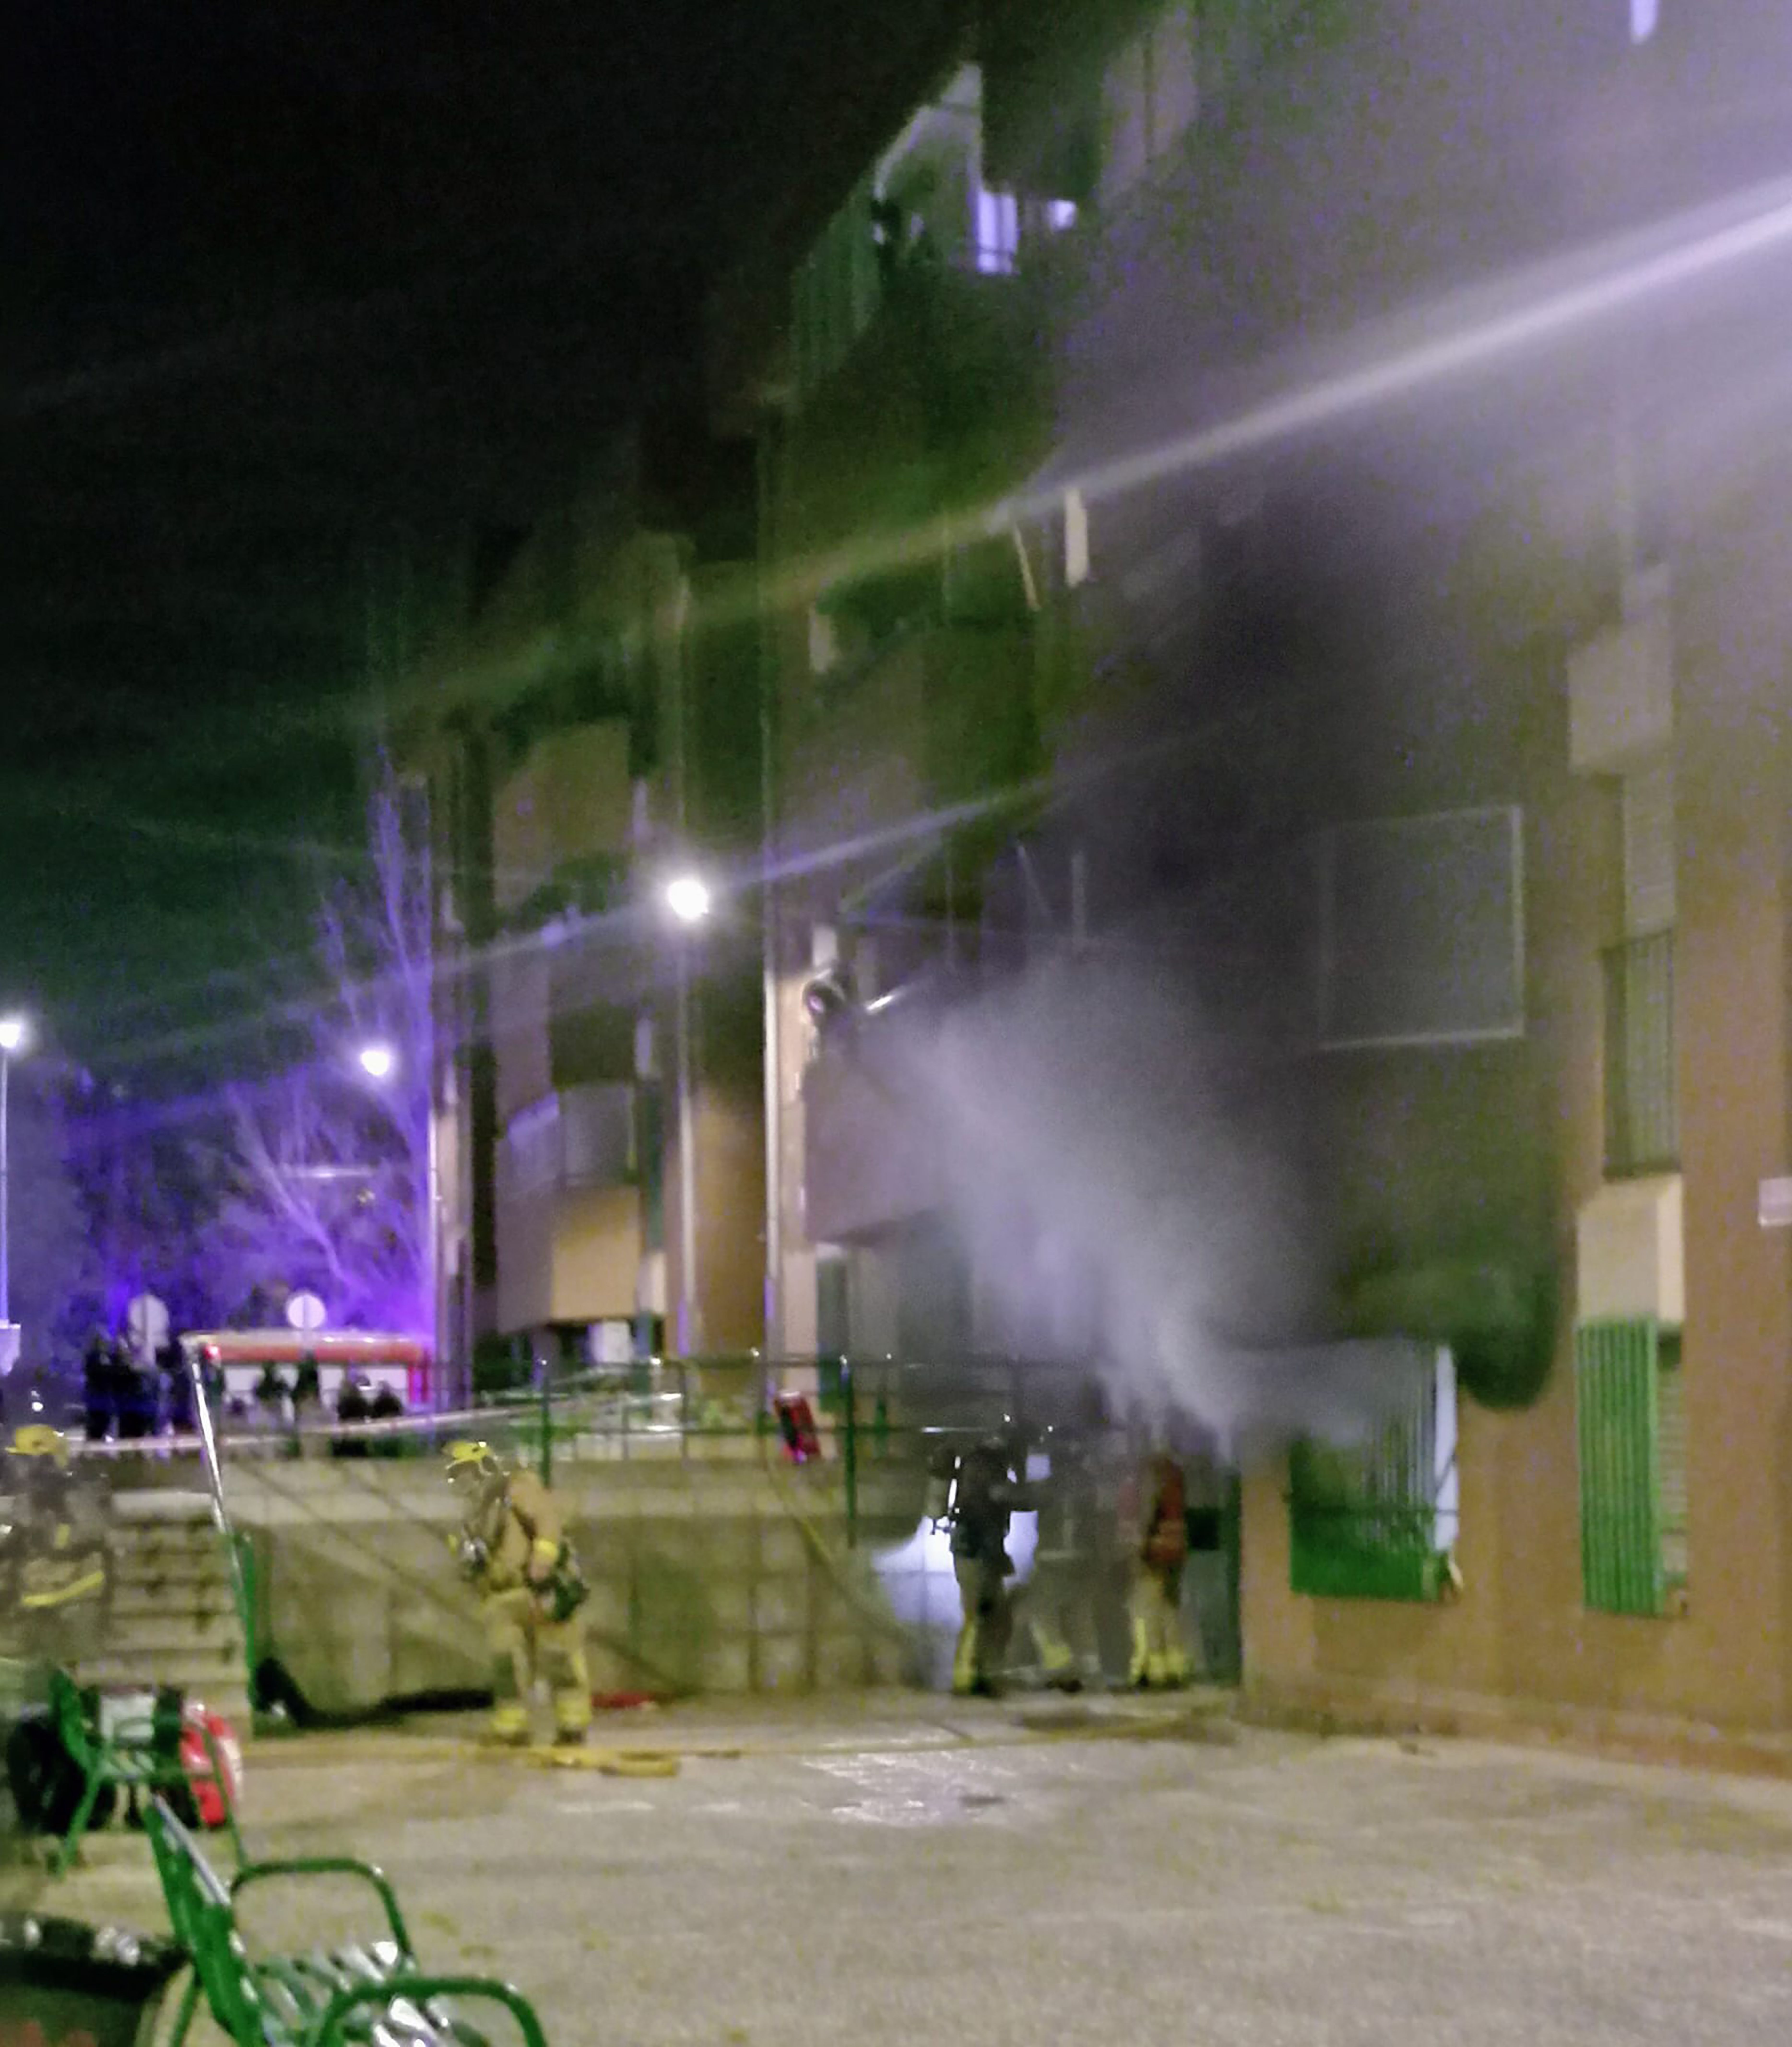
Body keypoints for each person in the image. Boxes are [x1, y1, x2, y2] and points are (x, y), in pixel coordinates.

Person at [444, 1439, 591, 1747]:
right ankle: (511, 1725)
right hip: (501, 1597)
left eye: (465, 1470)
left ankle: (572, 1724)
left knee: (558, 1656)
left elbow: (548, 1519)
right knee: (505, 1664)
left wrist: (544, 1557)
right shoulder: (478, 1511)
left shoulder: (516, 1489)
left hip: (538, 1588)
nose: (461, 1478)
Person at [1, 1425, 113, 1659]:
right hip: (43, 1598)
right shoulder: (31, 1497)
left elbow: (87, 1533)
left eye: (23, 1460)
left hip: (75, 1597)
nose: (18, 1468)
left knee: (73, 1667)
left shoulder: (75, 1493)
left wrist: (53, 1524)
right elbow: (21, 1535)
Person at [933, 1431, 1029, 1699]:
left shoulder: (977, 1464)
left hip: (978, 1550)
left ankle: (981, 1674)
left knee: (990, 1615)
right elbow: (1010, 1498)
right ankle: (967, 1676)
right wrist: (1028, 1483)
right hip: (976, 1551)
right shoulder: (986, 1468)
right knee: (978, 1614)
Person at [1122, 1442, 1192, 1690]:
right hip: (1175, 1552)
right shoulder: (1176, 1474)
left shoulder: (1150, 1475)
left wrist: (1140, 1547)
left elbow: (1146, 1513)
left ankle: (1152, 1671)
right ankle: (1176, 1667)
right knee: (1169, 1611)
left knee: (1145, 1611)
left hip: (1153, 1553)